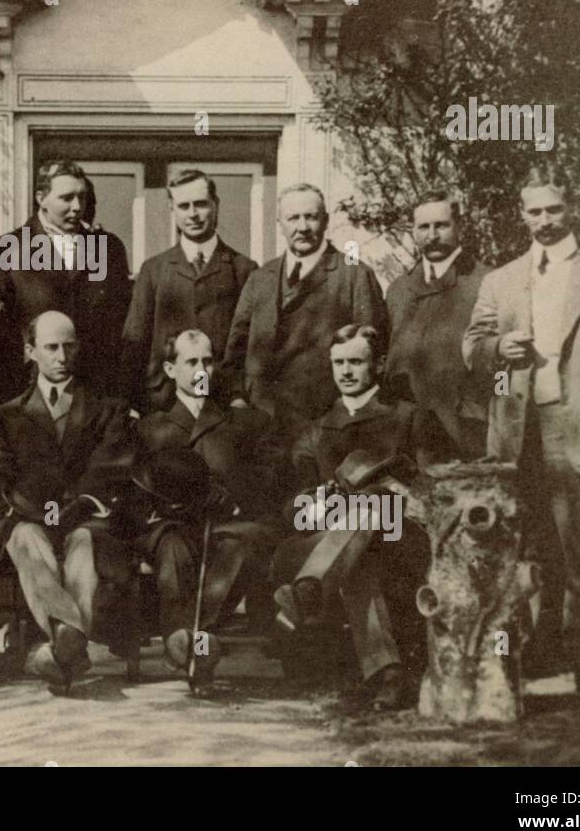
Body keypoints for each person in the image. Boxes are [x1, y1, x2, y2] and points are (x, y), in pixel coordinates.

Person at [463, 168, 580, 694]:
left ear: (571, 211)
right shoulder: (500, 280)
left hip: (577, 429)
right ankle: (517, 661)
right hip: (516, 432)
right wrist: (500, 349)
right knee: (514, 547)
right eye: (534, 211)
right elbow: (472, 346)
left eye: (553, 210)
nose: (544, 221)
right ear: (521, 214)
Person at [276, 324, 451, 710]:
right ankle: (388, 671)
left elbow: (437, 493)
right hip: (332, 536)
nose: (346, 371)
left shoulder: (409, 418)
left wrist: (397, 491)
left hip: (399, 534)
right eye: (338, 362)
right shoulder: (317, 428)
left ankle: (310, 590)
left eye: (356, 361)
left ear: (379, 364)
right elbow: (294, 507)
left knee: (372, 503)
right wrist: (320, 502)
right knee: (359, 555)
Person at [0, 311, 137, 690]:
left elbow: (109, 467)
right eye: (51, 347)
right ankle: (70, 640)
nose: (61, 356)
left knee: (85, 544)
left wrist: (78, 505)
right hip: (28, 518)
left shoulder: (106, 410)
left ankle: (62, 645)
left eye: (69, 346)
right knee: (26, 540)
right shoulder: (6, 416)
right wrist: (29, 511)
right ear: (30, 351)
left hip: (83, 517)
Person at [135, 329, 286, 683]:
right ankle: (194, 648)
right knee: (170, 544)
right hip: (174, 528)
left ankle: (186, 644)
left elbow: (270, 480)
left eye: (207, 361)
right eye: (191, 362)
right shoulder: (149, 429)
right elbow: (137, 490)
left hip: (227, 526)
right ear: (171, 370)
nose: (201, 370)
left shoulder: (245, 423)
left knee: (241, 544)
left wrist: (231, 496)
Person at [220, 183, 386, 441]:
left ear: (326, 220)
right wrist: (238, 400)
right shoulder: (260, 278)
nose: (302, 227)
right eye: (293, 218)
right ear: (280, 223)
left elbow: (373, 356)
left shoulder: (354, 274)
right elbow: (235, 351)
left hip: (325, 425)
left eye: (311, 217)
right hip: (260, 423)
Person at [0, 160, 132, 402]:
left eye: (82, 197)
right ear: (41, 198)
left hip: (94, 392)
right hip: (27, 392)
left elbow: (122, 322)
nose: (77, 207)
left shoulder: (107, 247)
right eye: (66, 198)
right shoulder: (7, 248)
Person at [122, 169, 257, 413]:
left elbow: (249, 345)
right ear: (172, 209)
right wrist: (134, 403)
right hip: (163, 405)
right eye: (184, 206)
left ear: (216, 204)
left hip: (222, 402)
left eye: (201, 204)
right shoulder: (154, 269)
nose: (193, 214)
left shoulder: (243, 269)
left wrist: (238, 396)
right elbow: (135, 342)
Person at [383, 191, 492, 457]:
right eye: (423, 227)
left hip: (464, 430)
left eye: (441, 225)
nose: (432, 235)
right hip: (406, 432)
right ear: (414, 231)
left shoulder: (487, 282)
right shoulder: (399, 289)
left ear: (459, 227)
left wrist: (496, 409)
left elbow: (504, 369)